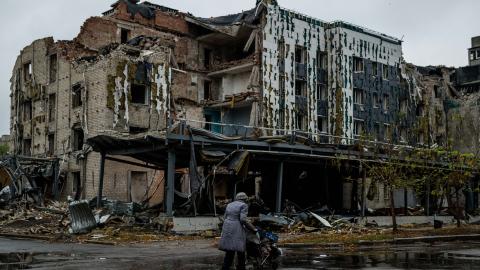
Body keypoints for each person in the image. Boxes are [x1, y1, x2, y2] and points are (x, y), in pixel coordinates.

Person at [219, 192, 257, 270]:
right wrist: (252, 228)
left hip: (227, 226)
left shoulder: (230, 204)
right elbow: (243, 219)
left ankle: (225, 267)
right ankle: (241, 267)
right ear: (244, 199)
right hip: (237, 228)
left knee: (230, 250)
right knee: (241, 250)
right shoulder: (244, 205)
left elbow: (224, 217)